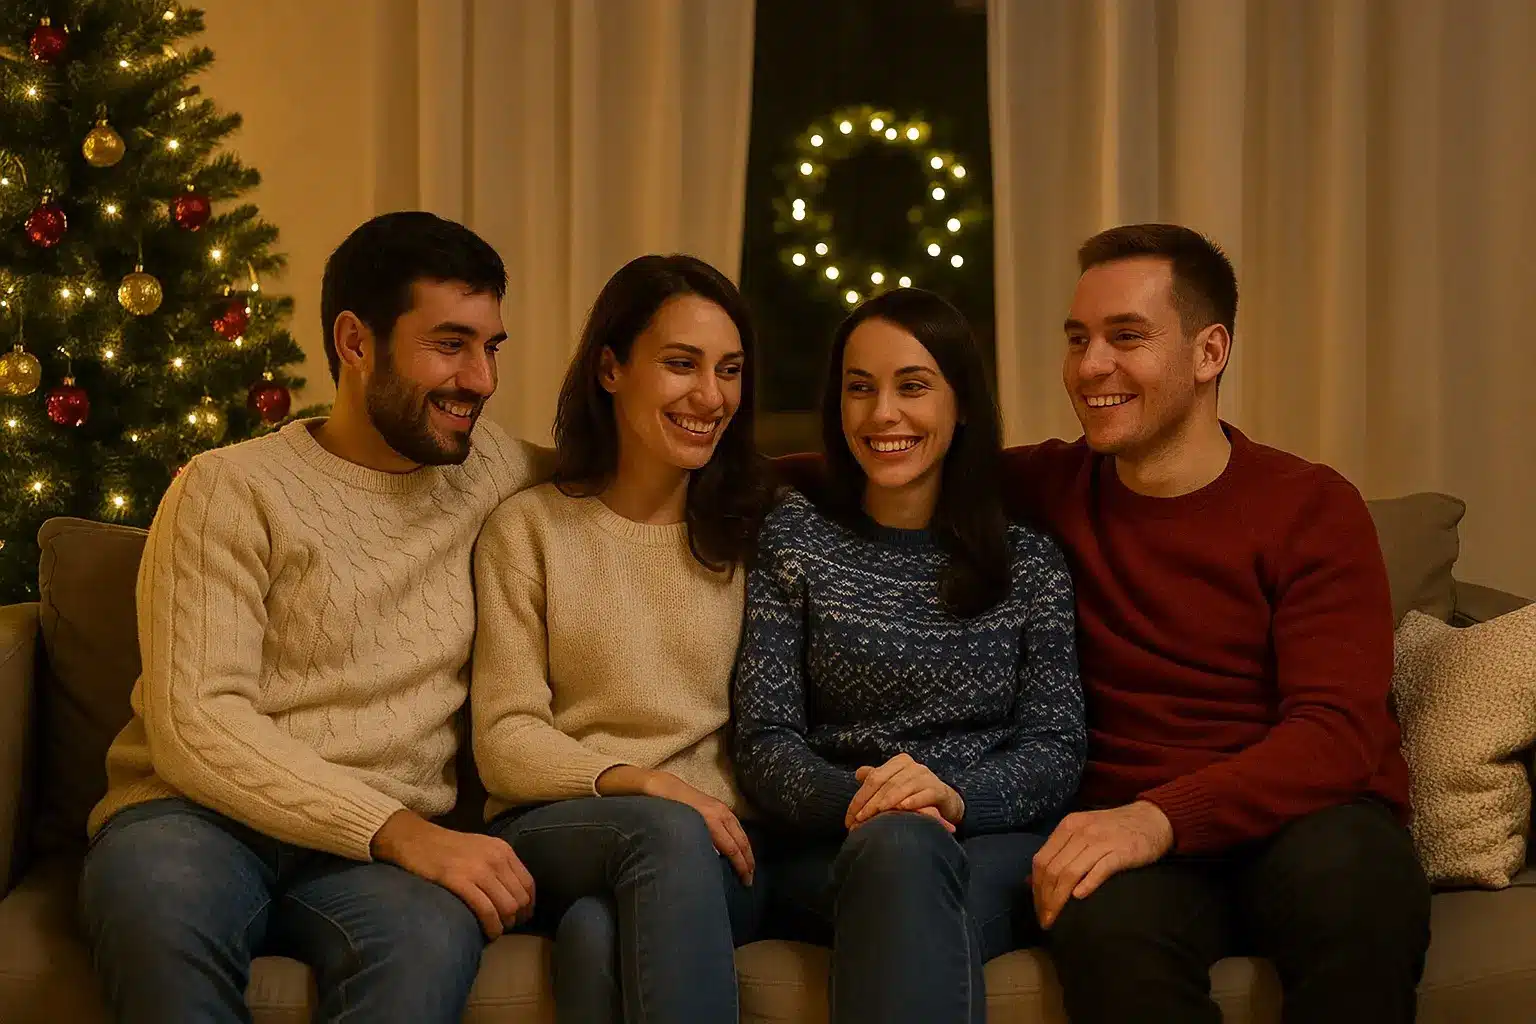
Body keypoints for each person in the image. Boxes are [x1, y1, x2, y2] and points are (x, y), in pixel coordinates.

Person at [79, 211, 554, 1024]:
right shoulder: (228, 488)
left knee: (428, 945)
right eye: (450, 344)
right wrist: (400, 830)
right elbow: (198, 723)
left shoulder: (494, 471)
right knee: (155, 905)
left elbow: (635, 474)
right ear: (355, 342)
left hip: (375, 866)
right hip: (197, 822)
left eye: (491, 346)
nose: (481, 380)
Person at [1015, 224, 1430, 1023]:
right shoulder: (1050, 486)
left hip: (1306, 822)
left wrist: (1161, 818)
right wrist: (702, 442)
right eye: (1078, 339)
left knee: (1359, 885)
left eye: (1126, 337)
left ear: (1210, 353)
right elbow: (877, 460)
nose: (1090, 366)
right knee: (1100, 927)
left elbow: (1336, 733)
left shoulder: (1310, 507)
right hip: (1135, 839)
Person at [734, 288, 1086, 1024]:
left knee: (915, 875)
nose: (882, 413)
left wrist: (949, 797)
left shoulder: (1028, 562)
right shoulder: (793, 538)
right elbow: (765, 742)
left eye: (912, 386)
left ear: (961, 406)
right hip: (834, 843)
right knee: (899, 856)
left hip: (987, 843)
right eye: (859, 389)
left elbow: (1056, 748)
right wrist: (872, 805)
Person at [470, 253, 775, 1023]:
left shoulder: (753, 538)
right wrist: (647, 782)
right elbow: (505, 737)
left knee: (594, 936)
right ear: (611, 368)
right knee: (663, 833)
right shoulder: (530, 529)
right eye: (681, 364)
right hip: (560, 821)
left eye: (730, 370)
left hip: (715, 847)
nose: (711, 396)